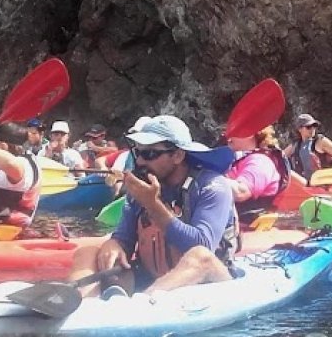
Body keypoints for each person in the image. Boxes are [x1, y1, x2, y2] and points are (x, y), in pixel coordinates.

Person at [68, 115, 238, 297]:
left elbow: (201, 245)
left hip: (209, 281)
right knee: (87, 252)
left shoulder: (212, 186)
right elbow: (125, 239)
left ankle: (145, 305)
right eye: (138, 153)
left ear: (178, 155)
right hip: (153, 277)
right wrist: (114, 244)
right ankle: (79, 307)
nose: (140, 162)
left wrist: (152, 204)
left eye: (150, 154)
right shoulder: (143, 186)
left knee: (200, 256)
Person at [227, 126, 290, 219]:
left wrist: (210, 180)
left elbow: (240, 192)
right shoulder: (248, 159)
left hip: (245, 227)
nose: (228, 137)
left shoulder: (260, 161)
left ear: (248, 134)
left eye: (233, 132)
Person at [282, 113, 332, 184]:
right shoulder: (296, 145)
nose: (312, 129)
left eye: (314, 126)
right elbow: (280, 156)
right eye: (308, 127)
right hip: (306, 184)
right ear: (299, 129)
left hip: (323, 184)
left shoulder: (320, 141)